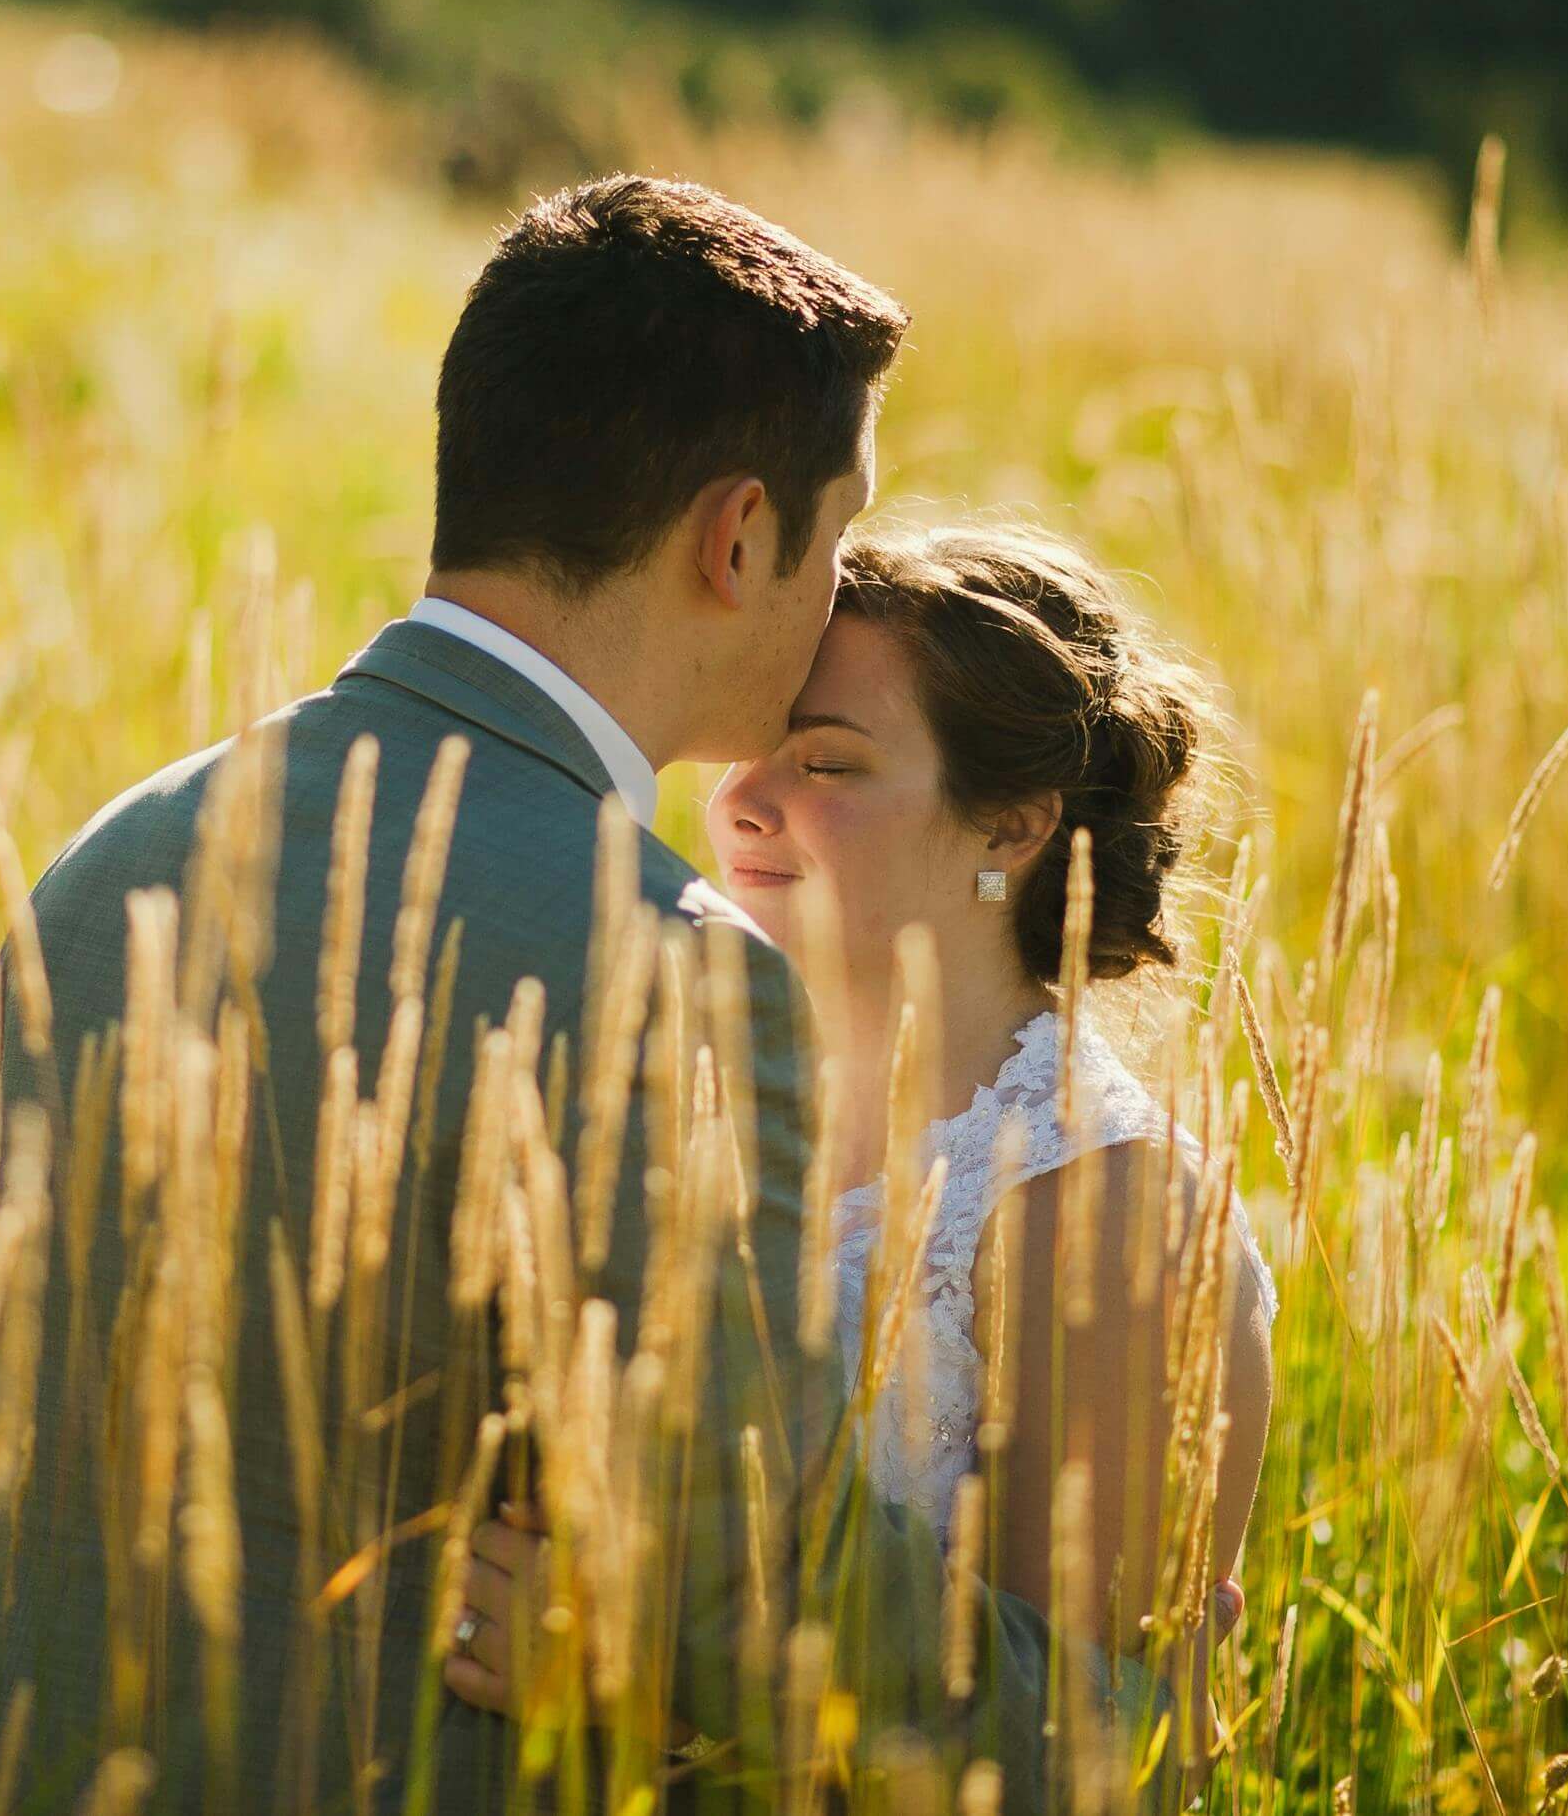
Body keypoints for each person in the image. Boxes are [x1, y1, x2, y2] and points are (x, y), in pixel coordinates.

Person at [0, 176, 1077, 1812]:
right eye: (836, 535)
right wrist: (1094, 1706)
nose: (834, 597)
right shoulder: (661, 970)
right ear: (737, 537)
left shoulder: (117, 854)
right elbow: (743, 1582)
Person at [445, 521, 1278, 1787]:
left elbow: (1081, 1757)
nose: (737, 801)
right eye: (745, 753)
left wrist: (646, 1699)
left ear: (1009, 829)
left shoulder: (1108, 1210)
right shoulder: (668, 1099)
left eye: (825, 764)